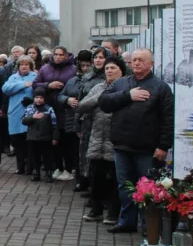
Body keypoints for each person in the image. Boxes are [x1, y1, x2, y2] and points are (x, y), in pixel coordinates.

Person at [98, 48, 174, 234]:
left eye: (141, 60)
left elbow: (168, 119)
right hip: (122, 145)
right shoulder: (122, 83)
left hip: (147, 149)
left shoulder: (160, 87)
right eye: (134, 60)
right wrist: (127, 96)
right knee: (124, 186)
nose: (137, 63)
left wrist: (163, 146)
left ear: (151, 64)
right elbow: (104, 102)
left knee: (148, 188)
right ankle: (127, 221)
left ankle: (149, 225)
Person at [77, 55, 125, 224]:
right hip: (97, 137)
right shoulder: (99, 87)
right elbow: (82, 106)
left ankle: (113, 212)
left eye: (113, 68)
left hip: (116, 139)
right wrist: (102, 97)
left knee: (114, 179)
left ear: (121, 71)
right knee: (95, 177)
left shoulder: (126, 87)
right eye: (107, 68)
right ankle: (96, 210)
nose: (109, 71)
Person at [33, 46, 77, 181]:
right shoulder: (45, 68)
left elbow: (76, 85)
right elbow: (35, 84)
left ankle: (69, 168)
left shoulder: (73, 69)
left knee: (67, 140)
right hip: (50, 108)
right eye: (55, 54)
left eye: (60, 54)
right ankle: (57, 166)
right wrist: (48, 85)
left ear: (66, 56)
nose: (57, 57)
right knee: (53, 139)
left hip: (66, 109)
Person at [58, 48, 92, 191]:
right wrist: (67, 100)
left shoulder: (96, 81)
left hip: (89, 120)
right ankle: (79, 179)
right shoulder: (72, 81)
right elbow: (60, 96)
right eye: (82, 65)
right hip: (73, 119)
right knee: (75, 152)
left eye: (87, 65)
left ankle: (88, 180)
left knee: (88, 153)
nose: (85, 68)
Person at [2, 56, 37, 175]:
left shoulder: (35, 77)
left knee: (29, 142)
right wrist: (23, 85)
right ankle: (20, 166)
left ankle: (30, 166)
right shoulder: (13, 77)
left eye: (27, 64)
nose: (24, 66)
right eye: (22, 64)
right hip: (15, 114)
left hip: (30, 113)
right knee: (17, 142)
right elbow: (5, 88)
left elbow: (39, 92)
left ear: (30, 66)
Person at [22, 85, 58, 182]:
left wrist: (55, 137)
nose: (39, 99)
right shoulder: (30, 108)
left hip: (46, 137)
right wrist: (33, 117)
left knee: (47, 156)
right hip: (32, 137)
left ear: (45, 99)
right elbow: (24, 121)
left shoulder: (49, 109)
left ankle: (48, 172)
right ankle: (36, 172)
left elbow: (54, 124)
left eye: (41, 97)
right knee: (34, 156)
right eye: (37, 97)